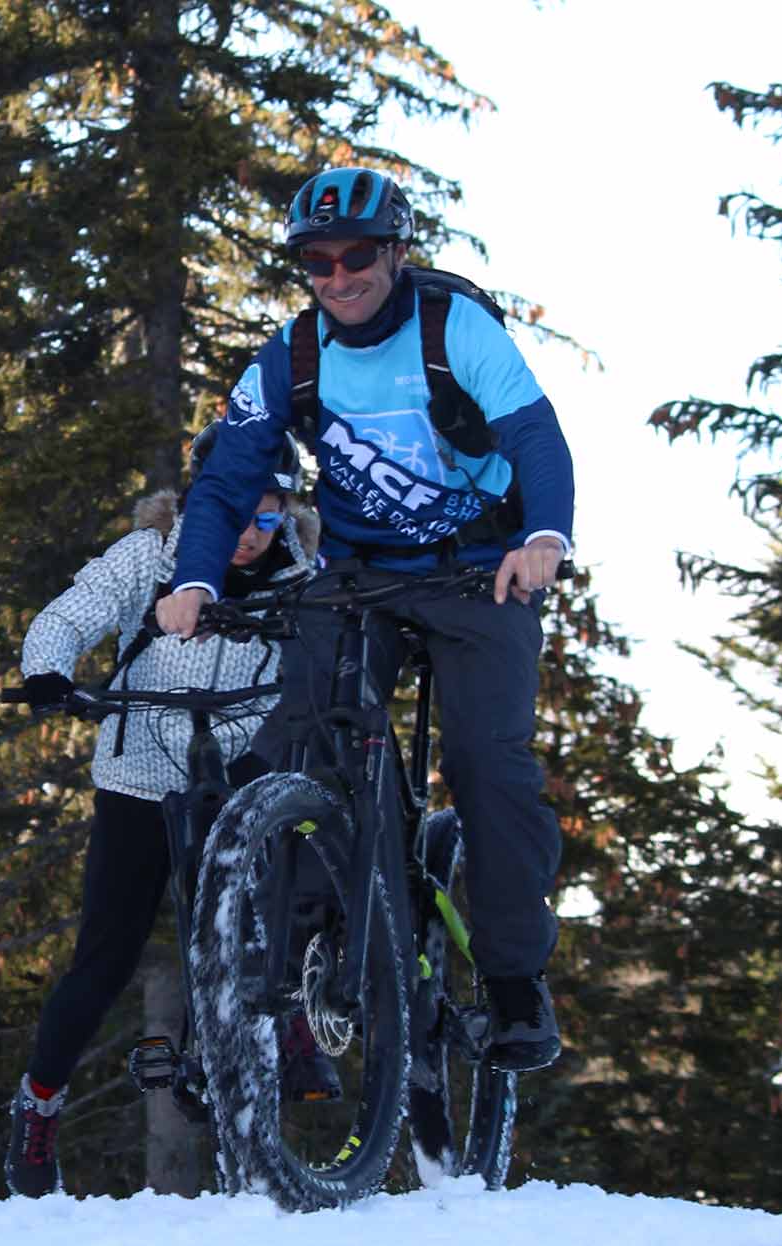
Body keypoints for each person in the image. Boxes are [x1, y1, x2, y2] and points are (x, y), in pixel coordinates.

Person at [155, 166, 573, 1077]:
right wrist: (193, 579)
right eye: (316, 261)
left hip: (478, 571)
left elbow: (534, 435)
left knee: (486, 764)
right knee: (294, 737)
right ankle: (300, 961)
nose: (338, 277)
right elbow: (229, 476)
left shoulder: (453, 328)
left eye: (356, 257)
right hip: (357, 574)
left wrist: (543, 535)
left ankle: (512, 982)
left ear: (396, 253)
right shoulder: (292, 355)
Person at [4, 434, 323, 1199]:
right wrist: (48, 672)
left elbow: (329, 659)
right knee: (104, 959)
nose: (249, 533)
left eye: (268, 516)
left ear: (288, 513)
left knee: (289, 894)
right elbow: (71, 613)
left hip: (242, 766)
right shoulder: (151, 555)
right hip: (140, 776)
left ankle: (296, 1020)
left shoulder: (304, 577)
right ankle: (39, 1103)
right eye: (236, 511)